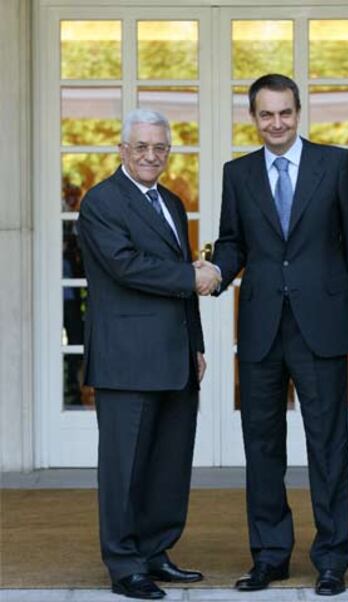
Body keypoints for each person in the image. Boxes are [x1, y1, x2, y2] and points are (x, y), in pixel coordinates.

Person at [200, 74, 348, 596]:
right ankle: (270, 556)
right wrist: (212, 275)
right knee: (262, 447)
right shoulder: (238, 174)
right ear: (253, 118)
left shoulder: (336, 164)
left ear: (298, 113)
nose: (275, 123)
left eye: (284, 113)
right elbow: (233, 243)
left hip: (321, 324)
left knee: (327, 446)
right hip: (260, 328)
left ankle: (331, 559)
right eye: (265, 115)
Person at [78, 108, 220, 600]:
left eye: (159, 147)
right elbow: (125, 266)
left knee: (168, 463)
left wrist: (196, 343)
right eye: (140, 147)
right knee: (124, 467)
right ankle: (124, 565)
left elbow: (181, 274)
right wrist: (193, 277)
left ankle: (156, 551)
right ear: (121, 150)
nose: (150, 156)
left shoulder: (174, 203)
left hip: (175, 355)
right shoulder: (101, 202)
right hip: (127, 358)